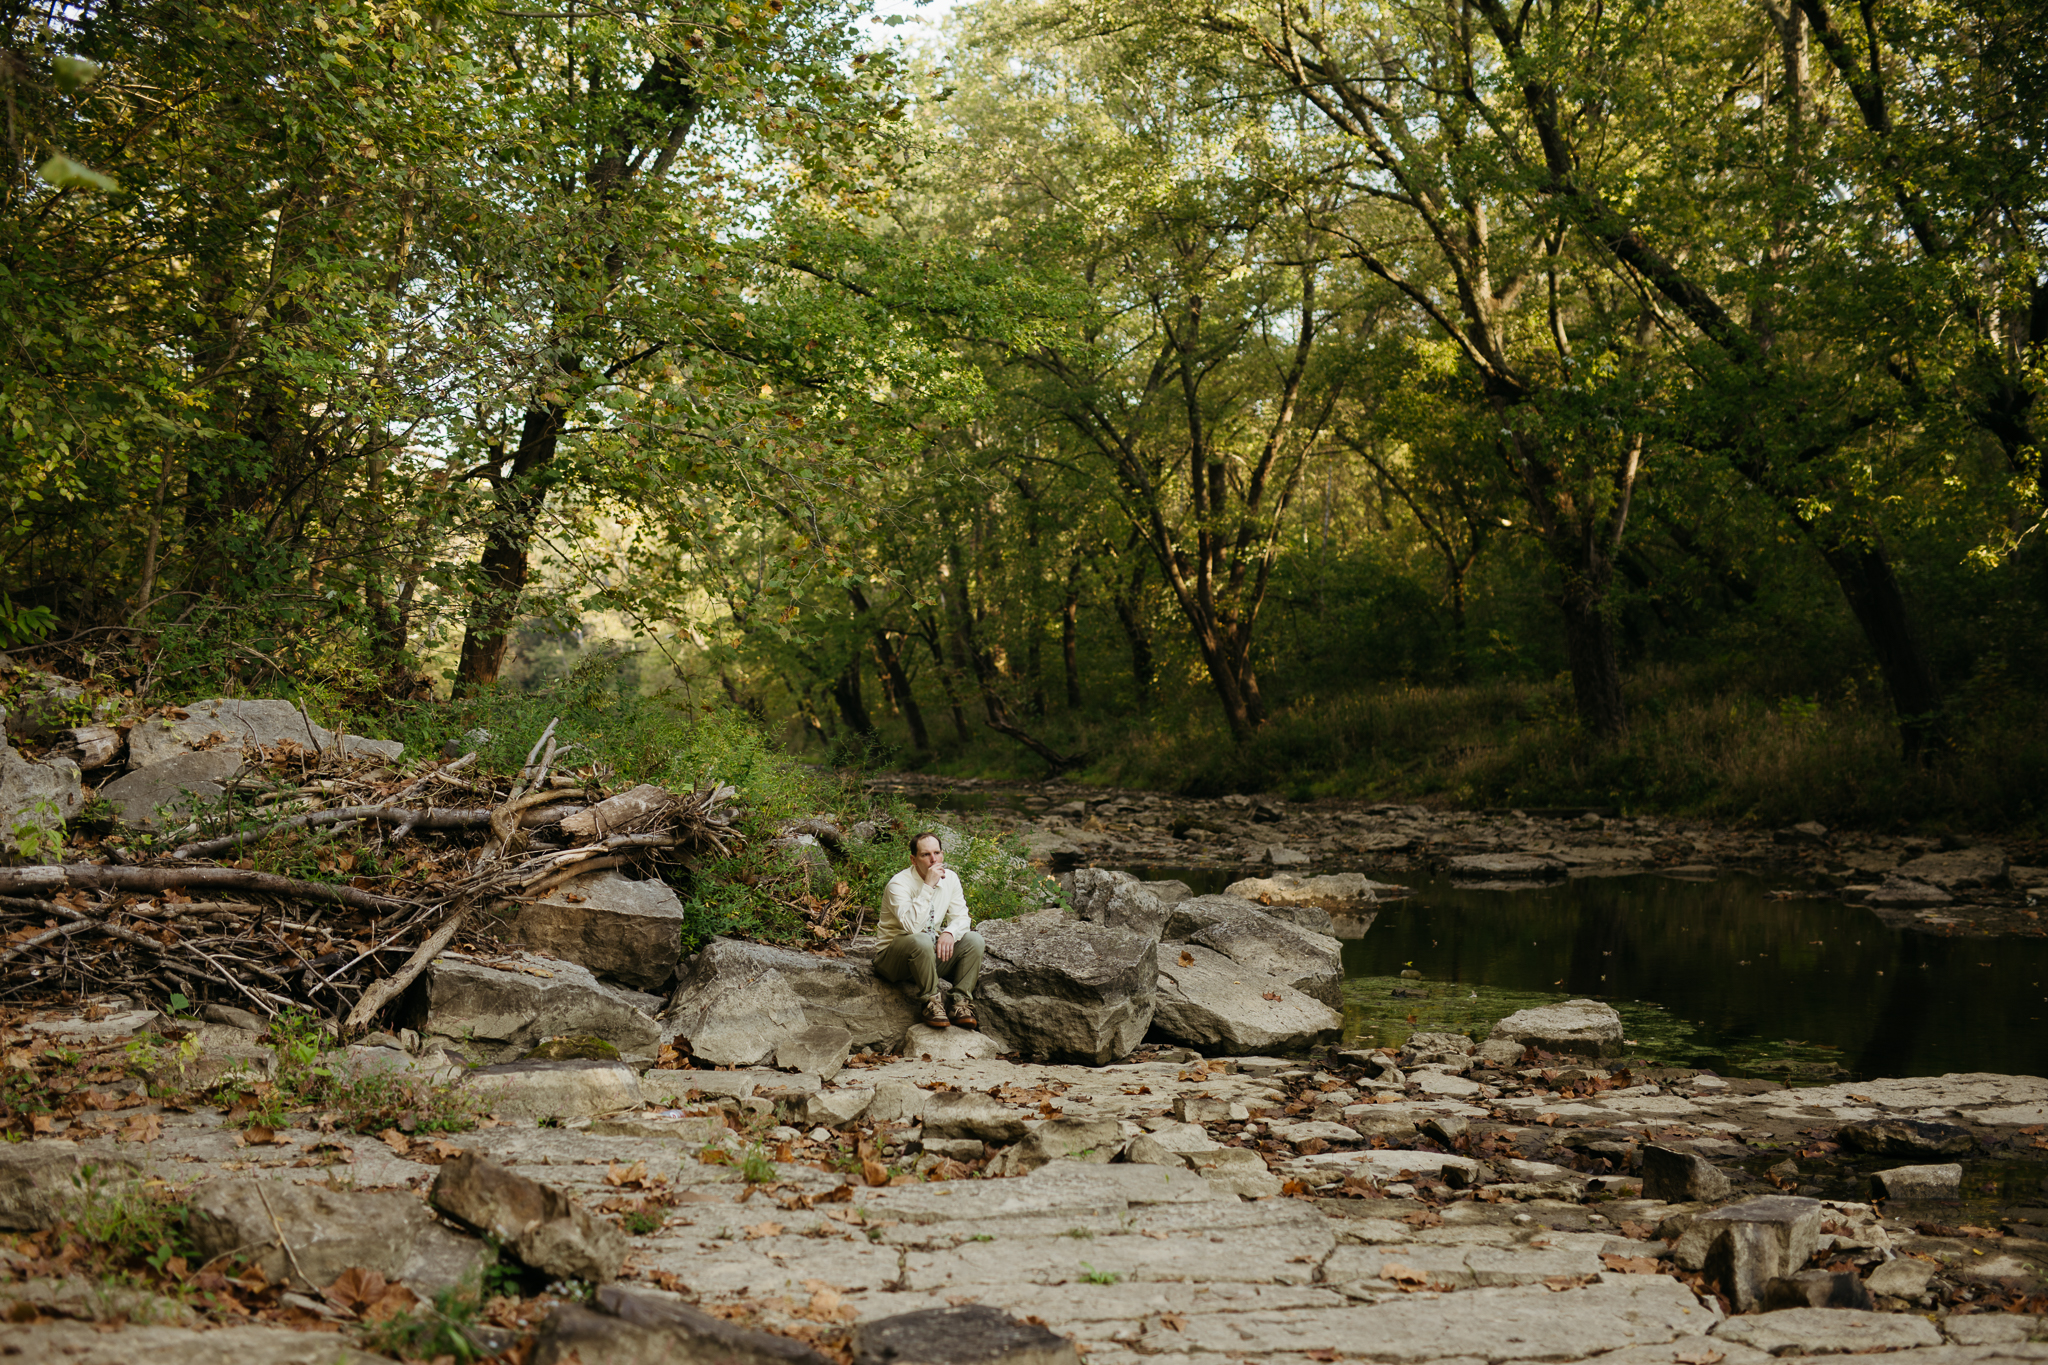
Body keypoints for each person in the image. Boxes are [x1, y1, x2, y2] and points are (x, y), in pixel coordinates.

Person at [873, 831, 984, 1030]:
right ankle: (931, 1002)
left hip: (926, 957)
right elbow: (912, 927)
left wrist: (949, 933)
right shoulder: (898, 884)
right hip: (893, 960)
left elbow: (962, 918)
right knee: (922, 939)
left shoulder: (950, 879)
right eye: (926, 855)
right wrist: (928, 886)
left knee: (974, 940)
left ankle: (959, 1004)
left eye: (937, 853)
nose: (933, 860)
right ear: (913, 860)